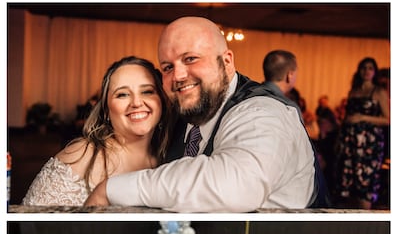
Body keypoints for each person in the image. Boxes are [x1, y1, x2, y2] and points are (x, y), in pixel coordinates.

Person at [84, 16, 320, 212]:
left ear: (227, 62)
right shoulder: (184, 114)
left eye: (190, 59)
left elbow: (235, 186)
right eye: (168, 67)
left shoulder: (265, 113)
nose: (178, 76)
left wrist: (110, 190)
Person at [21, 56, 173, 205]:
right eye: (122, 94)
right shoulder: (80, 156)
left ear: (161, 100)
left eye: (147, 91)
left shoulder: (170, 158)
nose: (137, 102)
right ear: (106, 110)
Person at [336, 57, 390, 209]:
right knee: (349, 182)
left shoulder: (378, 91)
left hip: (369, 144)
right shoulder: (353, 91)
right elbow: (347, 116)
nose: (366, 71)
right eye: (364, 68)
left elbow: (388, 119)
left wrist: (362, 117)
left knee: (365, 181)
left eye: (370, 68)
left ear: (375, 72)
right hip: (350, 140)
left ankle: (366, 215)